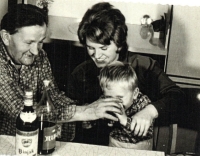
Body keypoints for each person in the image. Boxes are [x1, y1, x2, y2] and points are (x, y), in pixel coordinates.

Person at [66, 2, 184, 145]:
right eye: (90, 47)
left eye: (103, 48)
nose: (96, 55)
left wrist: (149, 112)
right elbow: (68, 112)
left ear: (119, 44)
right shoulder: (80, 74)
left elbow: (178, 98)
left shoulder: (143, 66)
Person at [0, 4, 123, 141]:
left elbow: (53, 96)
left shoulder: (39, 55)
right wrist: (83, 112)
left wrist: (84, 109)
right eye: (29, 42)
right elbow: (19, 111)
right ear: (6, 37)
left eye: (40, 42)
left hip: (32, 138)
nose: (36, 51)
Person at [99, 61, 153, 150]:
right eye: (108, 97)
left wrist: (124, 120)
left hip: (140, 147)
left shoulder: (143, 103)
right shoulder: (104, 100)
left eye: (120, 97)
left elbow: (142, 132)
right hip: (115, 144)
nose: (114, 102)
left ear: (135, 93)